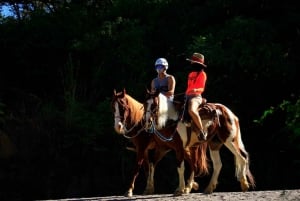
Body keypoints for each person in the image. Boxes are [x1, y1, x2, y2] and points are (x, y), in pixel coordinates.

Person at [184, 53, 207, 141]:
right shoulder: (190, 74)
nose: (191, 64)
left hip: (196, 97)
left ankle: (202, 131)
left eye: (193, 62)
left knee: (191, 110)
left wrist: (195, 90)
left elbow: (202, 88)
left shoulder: (203, 74)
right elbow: (188, 87)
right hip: (187, 96)